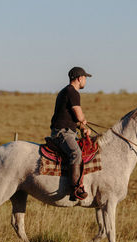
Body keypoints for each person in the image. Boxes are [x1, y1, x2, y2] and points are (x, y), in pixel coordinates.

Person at [50, 66, 92, 200]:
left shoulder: (66, 91)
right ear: (79, 78)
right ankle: (75, 188)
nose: (85, 81)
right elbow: (79, 116)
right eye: (85, 78)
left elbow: (71, 118)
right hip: (63, 133)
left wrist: (81, 127)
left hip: (67, 131)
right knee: (76, 153)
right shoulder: (72, 92)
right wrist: (83, 121)